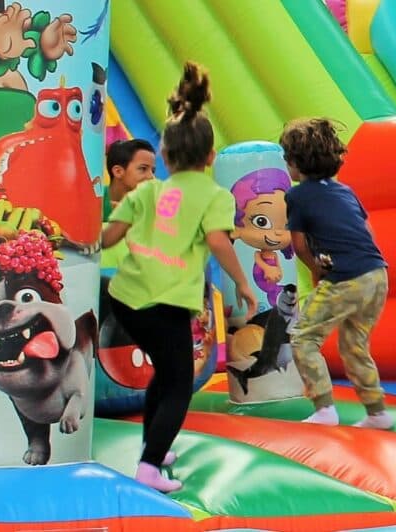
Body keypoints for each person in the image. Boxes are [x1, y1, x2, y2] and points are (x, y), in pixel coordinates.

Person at [101, 61, 257, 492]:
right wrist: (243, 283)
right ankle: (150, 467)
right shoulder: (213, 195)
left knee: (166, 375)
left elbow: (110, 233)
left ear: (165, 156)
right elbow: (220, 242)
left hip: (125, 299)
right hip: (165, 303)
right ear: (210, 157)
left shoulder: (149, 189)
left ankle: (156, 444)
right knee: (178, 384)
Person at [281, 117, 393, 430]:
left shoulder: (298, 196)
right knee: (354, 345)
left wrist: (317, 271)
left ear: (295, 163)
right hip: (377, 274)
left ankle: (324, 409)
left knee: (303, 337)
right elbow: (366, 231)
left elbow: (299, 244)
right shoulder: (346, 191)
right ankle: (377, 412)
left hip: (346, 279)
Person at [230, 168, 294, 307]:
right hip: (262, 276)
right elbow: (258, 260)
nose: (277, 233)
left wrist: (278, 272)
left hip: (272, 277)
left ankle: (278, 302)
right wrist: (267, 268)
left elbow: (277, 263)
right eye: (261, 221)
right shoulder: (259, 254)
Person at [103, 139, 157, 221]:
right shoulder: (91, 201)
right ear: (118, 171)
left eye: (153, 171)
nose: (152, 177)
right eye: (143, 168)